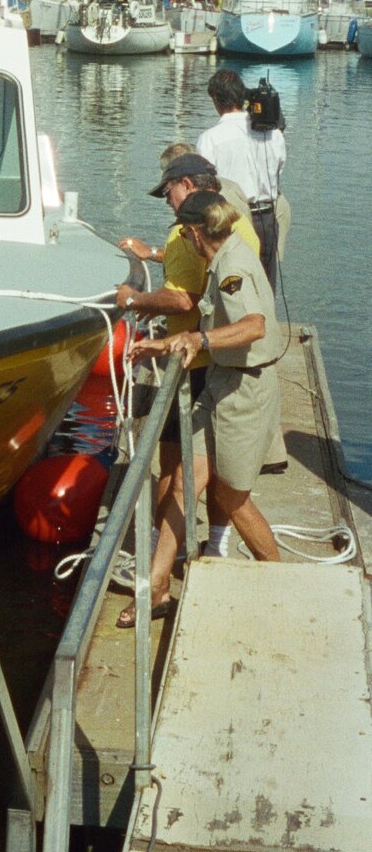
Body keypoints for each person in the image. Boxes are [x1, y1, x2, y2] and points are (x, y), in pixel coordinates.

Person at [116, 190, 283, 628]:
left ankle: (280, 579)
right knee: (184, 485)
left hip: (245, 390)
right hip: (221, 383)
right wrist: (168, 341)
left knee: (230, 495)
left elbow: (253, 325)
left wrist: (200, 340)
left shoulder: (231, 267)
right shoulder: (223, 256)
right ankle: (156, 589)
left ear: (192, 233)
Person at [116, 152, 260, 567]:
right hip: (226, 362)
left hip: (194, 361)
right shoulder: (237, 223)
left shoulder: (185, 231)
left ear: (189, 186)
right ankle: (215, 543)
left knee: (174, 460)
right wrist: (158, 255)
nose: (167, 200)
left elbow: (183, 296)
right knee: (217, 467)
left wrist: (136, 299)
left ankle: (160, 549)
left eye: (169, 191)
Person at [197, 70, 286, 287]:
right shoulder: (273, 133)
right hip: (267, 216)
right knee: (265, 285)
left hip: (232, 220)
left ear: (216, 99)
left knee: (234, 285)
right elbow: (279, 169)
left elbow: (203, 188)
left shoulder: (210, 139)